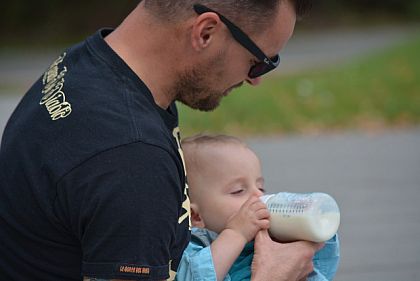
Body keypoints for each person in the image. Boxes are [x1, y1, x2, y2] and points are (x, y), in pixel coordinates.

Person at [0, 0, 318, 280]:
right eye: (259, 61)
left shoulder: (86, 64)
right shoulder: (132, 157)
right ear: (205, 32)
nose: (256, 80)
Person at [177, 134, 340, 281]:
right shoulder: (193, 246)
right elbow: (196, 277)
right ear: (195, 216)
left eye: (261, 187)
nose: (258, 197)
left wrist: (303, 228)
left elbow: (323, 266)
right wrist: (236, 234)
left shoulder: (266, 235)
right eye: (238, 191)